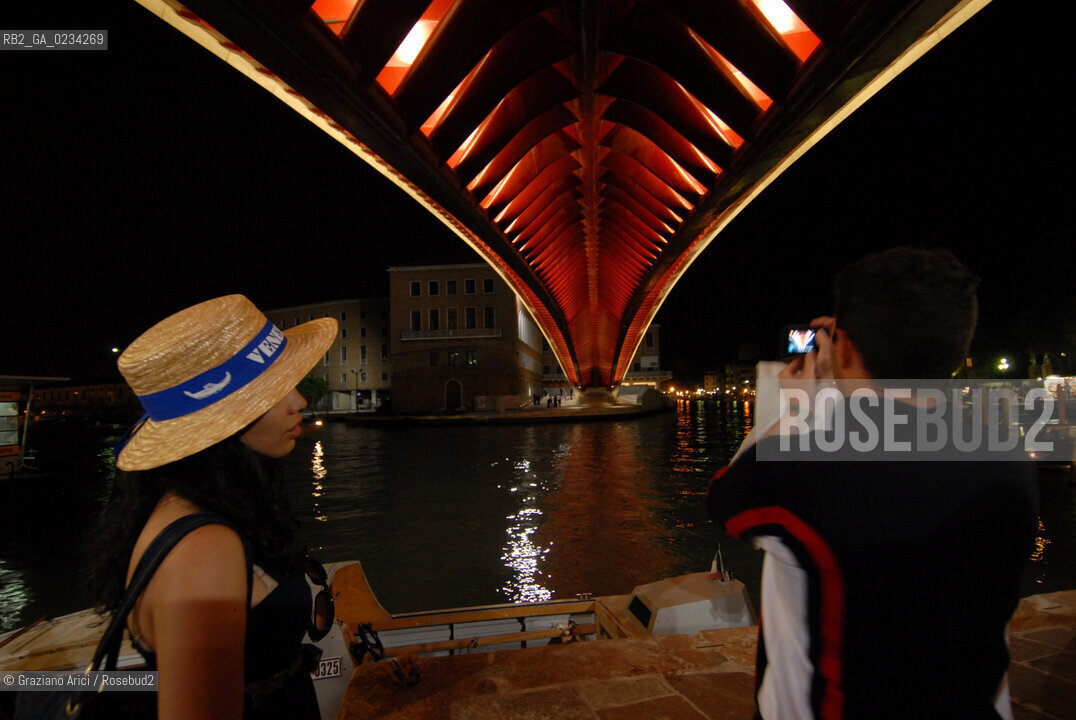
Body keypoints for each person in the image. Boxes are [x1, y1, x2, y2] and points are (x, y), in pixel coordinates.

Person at [706, 248, 1038, 719]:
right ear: (957, 348)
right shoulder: (1011, 458)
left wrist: (800, 410)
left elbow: (723, 501)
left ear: (841, 347)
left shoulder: (804, 469)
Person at [86, 294, 338, 720]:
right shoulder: (204, 548)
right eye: (276, 388)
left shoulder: (179, 506)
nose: (299, 400)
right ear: (224, 414)